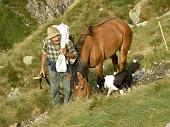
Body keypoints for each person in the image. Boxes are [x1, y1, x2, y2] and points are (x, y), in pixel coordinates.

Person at [40, 26, 77, 107]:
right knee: (54, 88)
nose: (56, 39)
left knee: (68, 88)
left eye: (57, 36)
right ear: (50, 38)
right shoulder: (46, 42)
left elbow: (74, 55)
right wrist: (42, 68)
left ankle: (68, 105)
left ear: (60, 34)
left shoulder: (67, 42)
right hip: (53, 67)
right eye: (53, 37)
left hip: (66, 67)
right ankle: (56, 106)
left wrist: (66, 53)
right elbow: (44, 53)